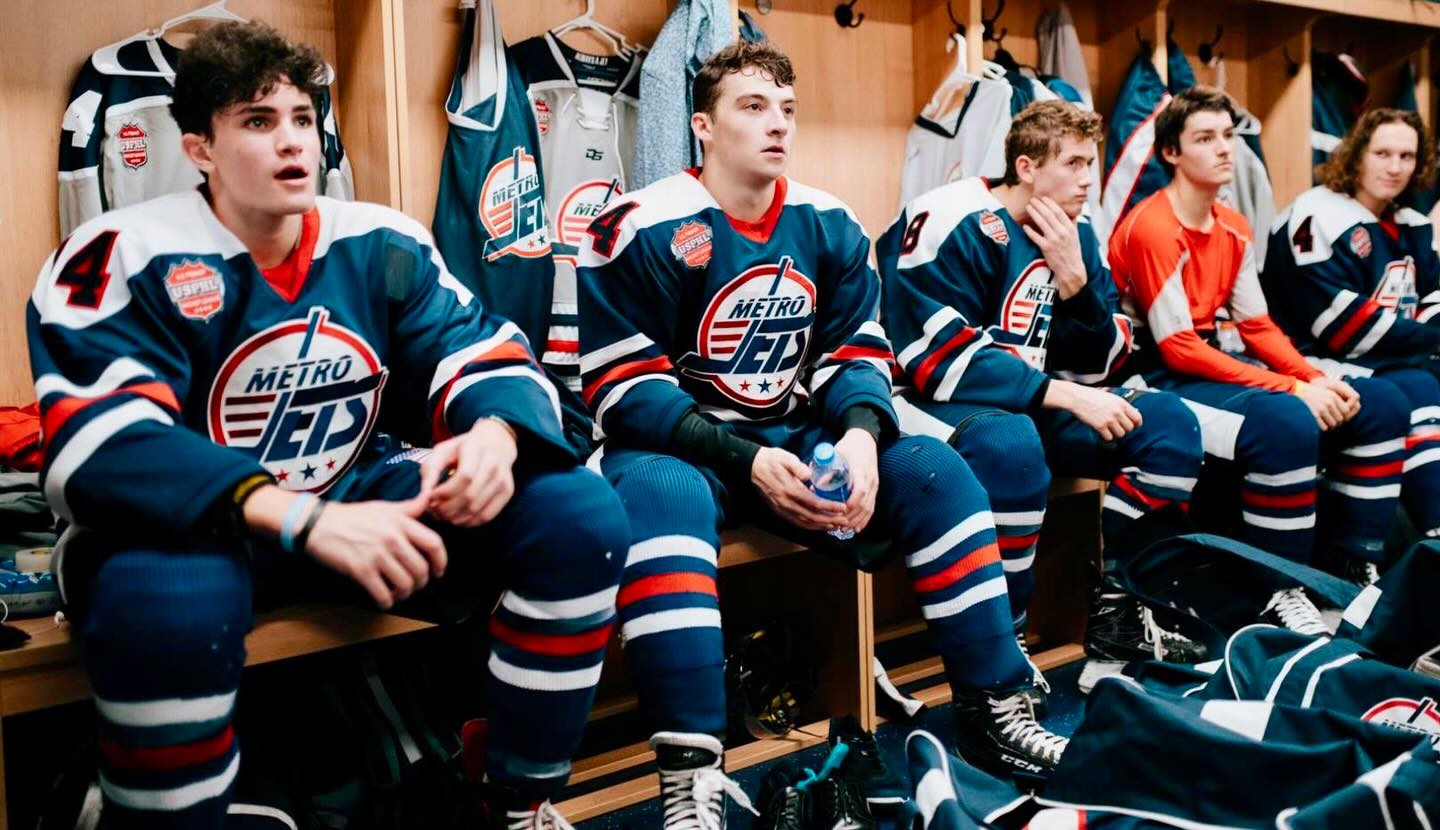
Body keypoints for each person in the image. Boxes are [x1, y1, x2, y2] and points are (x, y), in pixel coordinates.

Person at [26, 22, 626, 830]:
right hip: (210, 528)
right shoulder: (123, 250)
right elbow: (102, 443)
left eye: (303, 119)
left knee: (578, 516)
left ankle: (517, 799)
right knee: (169, 594)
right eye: (257, 120)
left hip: (350, 498)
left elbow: (481, 349)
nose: (291, 142)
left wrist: (495, 437)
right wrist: (305, 521)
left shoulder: (378, 240)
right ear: (200, 146)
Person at [576, 42, 1068, 827]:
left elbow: (856, 353)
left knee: (937, 469)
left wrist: (864, 435)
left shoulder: (827, 221)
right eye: (752, 106)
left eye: (787, 109)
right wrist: (746, 457)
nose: (776, 125)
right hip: (685, 449)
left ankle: (993, 707)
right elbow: (621, 390)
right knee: (658, 499)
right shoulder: (637, 226)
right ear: (701, 125)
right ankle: (692, 776)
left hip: (792, 435)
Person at [877, 100, 1207, 674]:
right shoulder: (950, 215)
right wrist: (1065, 395)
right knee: (1012, 443)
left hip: (1029, 404)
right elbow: (932, 357)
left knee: (1171, 425)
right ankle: (1004, 645)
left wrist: (1076, 284)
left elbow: (1104, 361)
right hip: (927, 406)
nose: (1088, 180)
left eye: (1092, 164)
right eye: (1074, 164)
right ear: (1026, 167)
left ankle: (1118, 610)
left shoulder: (1073, 232)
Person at [1107, 86, 1409, 628]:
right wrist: (1295, 389)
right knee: (1287, 420)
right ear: (1171, 153)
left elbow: (1256, 325)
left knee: (1379, 402)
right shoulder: (1154, 226)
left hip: (1211, 362)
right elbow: (1177, 348)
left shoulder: (1232, 223)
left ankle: (1349, 565)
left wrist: (1315, 376)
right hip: (1152, 378)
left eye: (1228, 135)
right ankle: (1279, 588)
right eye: (1205, 138)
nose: (1225, 149)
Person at [1262, 108, 1440, 570]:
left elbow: (1434, 298)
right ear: (1357, 154)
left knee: (1422, 383)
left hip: (1391, 360)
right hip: (1308, 361)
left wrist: (1425, 336)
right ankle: (1371, 555)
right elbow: (1339, 326)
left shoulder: (1412, 224)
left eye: (1406, 155)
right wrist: (1428, 338)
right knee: (1417, 391)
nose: (1395, 166)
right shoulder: (1316, 215)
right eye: (1382, 153)